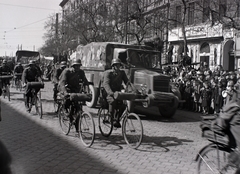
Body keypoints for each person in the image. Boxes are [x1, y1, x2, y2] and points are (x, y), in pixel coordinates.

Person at [58, 59, 89, 129]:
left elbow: (85, 82)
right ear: (72, 66)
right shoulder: (67, 71)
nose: (77, 68)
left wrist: (87, 91)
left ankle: (77, 125)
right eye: (76, 66)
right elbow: (62, 83)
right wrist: (65, 92)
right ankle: (65, 109)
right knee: (68, 99)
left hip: (76, 89)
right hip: (66, 88)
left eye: (78, 66)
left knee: (78, 107)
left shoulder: (81, 72)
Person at [102, 58, 129, 128]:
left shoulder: (122, 73)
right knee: (112, 101)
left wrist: (132, 89)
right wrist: (111, 93)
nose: (118, 67)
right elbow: (106, 84)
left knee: (123, 105)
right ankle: (110, 117)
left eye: (119, 65)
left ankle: (116, 120)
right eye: (116, 65)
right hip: (108, 93)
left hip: (117, 93)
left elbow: (127, 82)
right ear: (113, 66)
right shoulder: (108, 73)